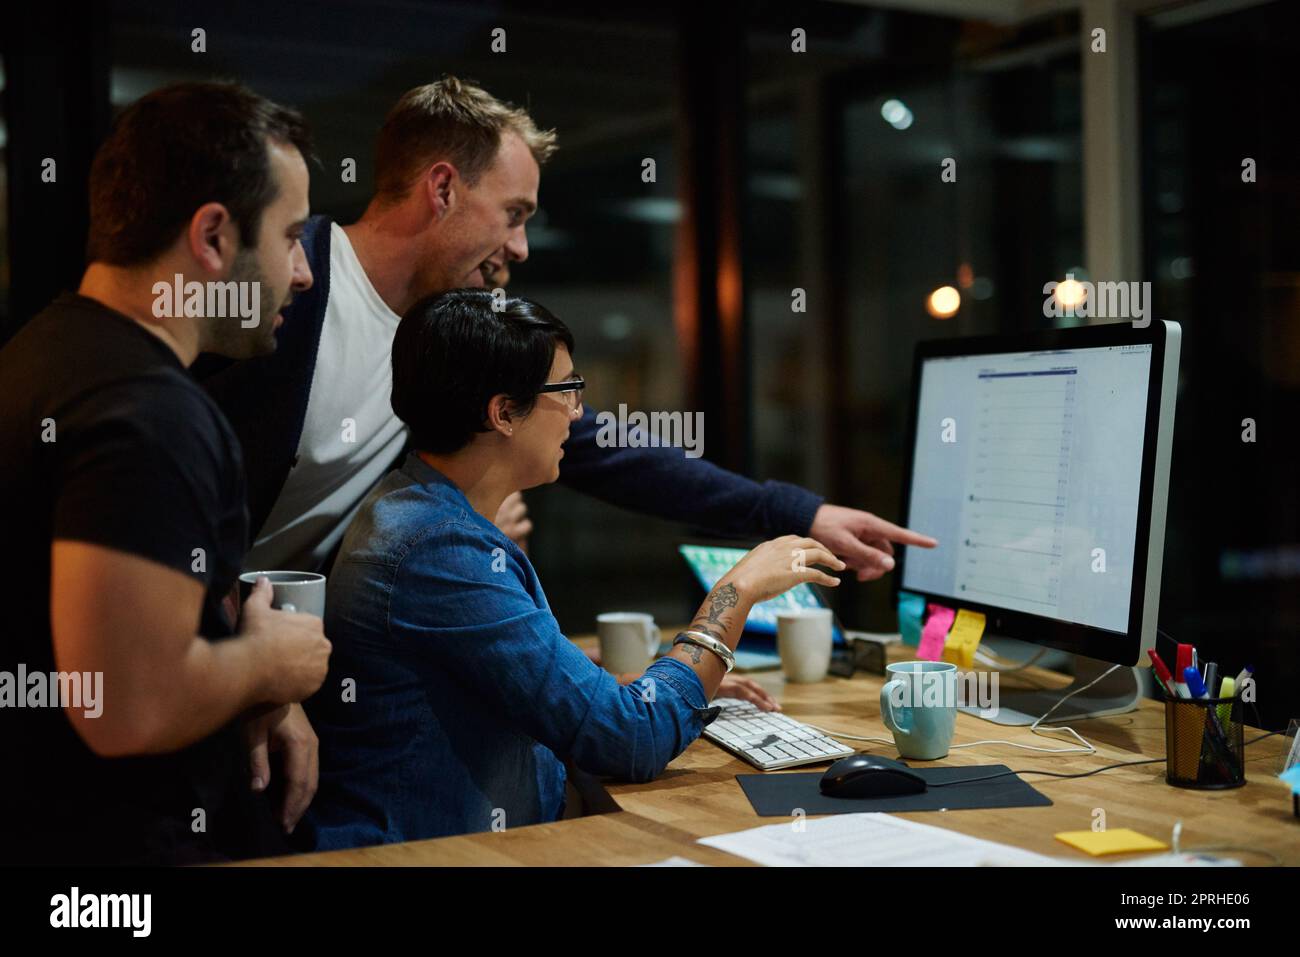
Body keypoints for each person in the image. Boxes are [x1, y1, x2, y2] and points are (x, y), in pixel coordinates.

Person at [197, 76, 936, 622]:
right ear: (443, 188)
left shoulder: (447, 334)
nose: (519, 247)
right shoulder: (280, 295)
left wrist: (796, 511)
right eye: (513, 215)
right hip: (196, 642)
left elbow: (604, 448)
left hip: (296, 650)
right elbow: (172, 494)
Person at [303, 290, 845, 847]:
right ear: (502, 412)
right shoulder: (440, 550)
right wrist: (738, 589)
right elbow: (634, 739)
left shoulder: (415, 510)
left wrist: (622, 691)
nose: (578, 412)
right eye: (567, 390)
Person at [0, 82, 331, 864]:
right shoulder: (149, 410)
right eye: (289, 237)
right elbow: (123, 704)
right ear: (213, 236)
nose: (304, 272)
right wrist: (268, 661)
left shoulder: (44, 355)